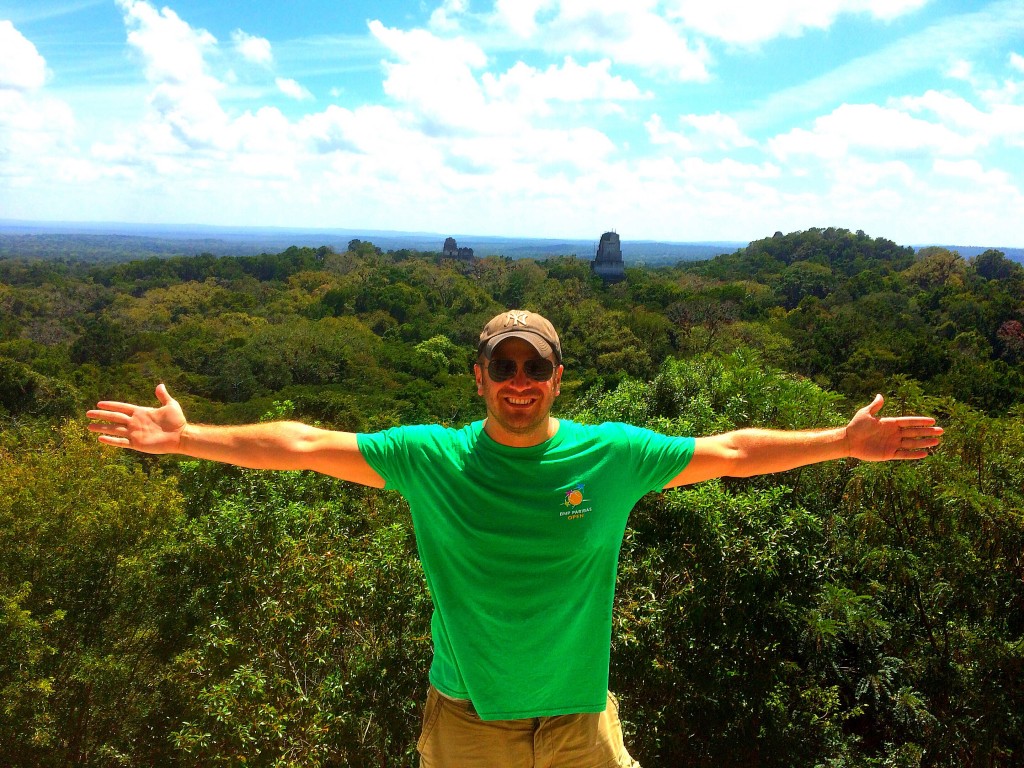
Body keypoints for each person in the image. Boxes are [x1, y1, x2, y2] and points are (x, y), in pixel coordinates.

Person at [87, 309, 943, 768]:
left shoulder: (610, 455)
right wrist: (186, 438)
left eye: (535, 366)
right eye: (505, 365)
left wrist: (840, 440)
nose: (520, 381)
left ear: (558, 375)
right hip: (468, 725)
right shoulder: (432, 458)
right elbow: (304, 445)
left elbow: (729, 453)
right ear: (480, 375)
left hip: (579, 723)